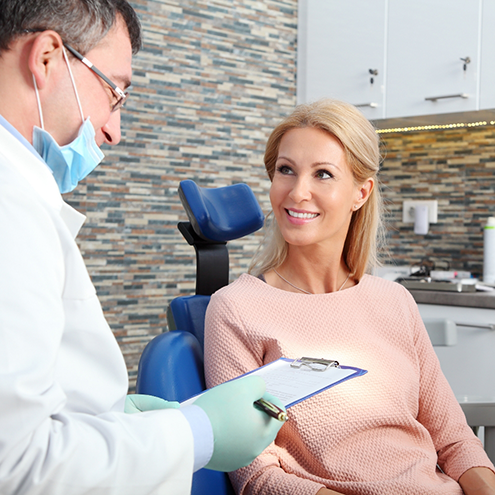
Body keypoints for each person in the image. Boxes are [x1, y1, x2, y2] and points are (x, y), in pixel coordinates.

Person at [0, 1, 286, 493]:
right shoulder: (11, 203)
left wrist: (115, 419)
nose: (113, 130)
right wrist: (198, 433)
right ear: (46, 58)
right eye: (115, 93)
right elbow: (21, 464)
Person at [204, 98, 495, 495]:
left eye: (323, 174)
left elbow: (455, 441)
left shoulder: (394, 301)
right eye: (285, 170)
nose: (298, 192)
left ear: (361, 192)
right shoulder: (236, 308)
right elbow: (257, 475)